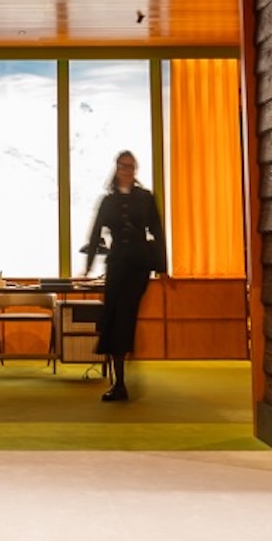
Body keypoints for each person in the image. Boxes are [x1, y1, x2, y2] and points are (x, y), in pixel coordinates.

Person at [80, 150, 166, 402]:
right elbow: (95, 233)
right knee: (112, 317)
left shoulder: (145, 198)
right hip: (116, 264)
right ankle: (120, 381)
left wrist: (162, 267)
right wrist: (87, 267)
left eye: (130, 166)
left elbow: (157, 231)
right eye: (122, 166)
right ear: (116, 169)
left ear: (135, 170)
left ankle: (121, 381)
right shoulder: (108, 201)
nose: (126, 170)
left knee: (124, 316)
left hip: (139, 265)